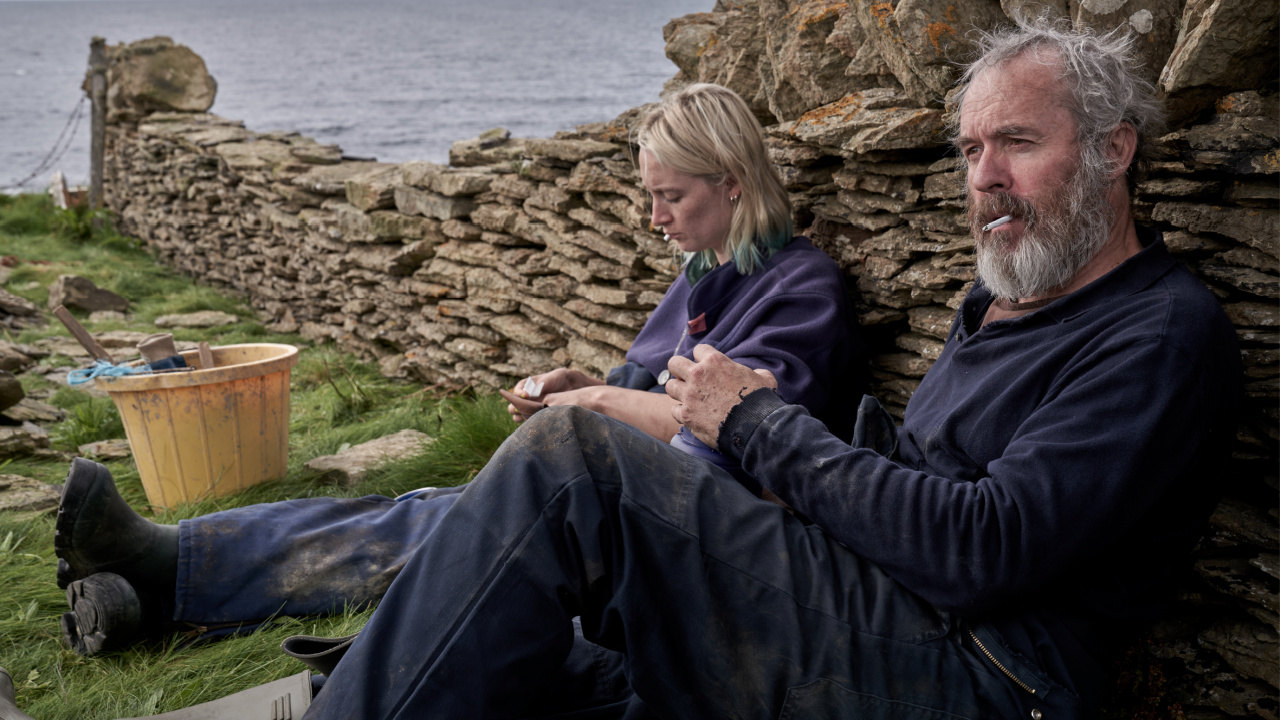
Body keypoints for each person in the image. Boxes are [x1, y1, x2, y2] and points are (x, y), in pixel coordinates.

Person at [291, 21, 1243, 720]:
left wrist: (755, 426)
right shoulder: (1000, 305)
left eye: (1018, 143)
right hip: (887, 604)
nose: (982, 176)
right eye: (968, 150)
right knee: (559, 648)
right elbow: (918, 483)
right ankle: (367, 657)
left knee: (574, 461)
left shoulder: (1158, 333)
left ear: (1114, 151)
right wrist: (796, 487)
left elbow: (981, 549)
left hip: (989, 675)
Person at [52, 83, 864, 663]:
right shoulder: (702, 270)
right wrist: (577, 384)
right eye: (649, 195)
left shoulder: (802, 288)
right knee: (415, 510)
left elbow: (735, 438)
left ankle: (167, 570)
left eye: (670, 197)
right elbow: (644, 390)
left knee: (429, 525)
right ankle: (152, 591)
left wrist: (600, 401)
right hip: (621, 489)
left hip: (694, 526)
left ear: (732, 181)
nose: (653, 219)